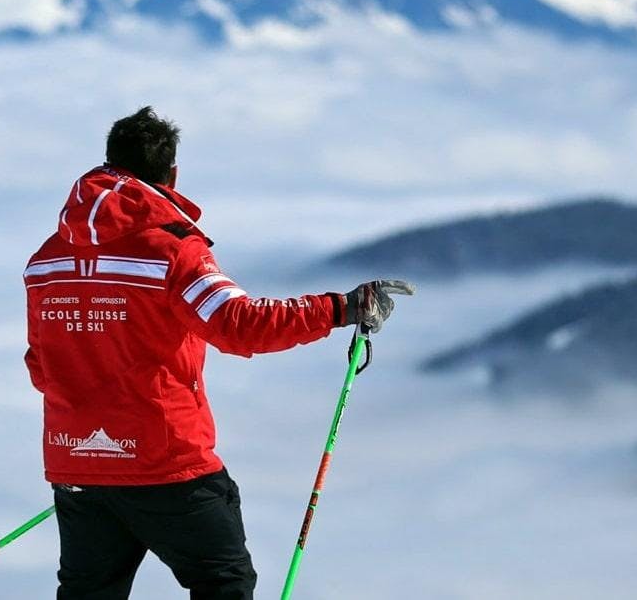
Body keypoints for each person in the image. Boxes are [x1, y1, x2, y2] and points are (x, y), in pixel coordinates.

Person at [22, 107, 413, 600]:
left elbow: (42, 366)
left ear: (109, 160)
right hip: (166, 462)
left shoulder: (47, 260)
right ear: (172, 174)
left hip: (76, 463)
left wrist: (102, 448)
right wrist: (342, 308)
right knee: (224, 583)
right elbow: (239, 325)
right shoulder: (171, 251)